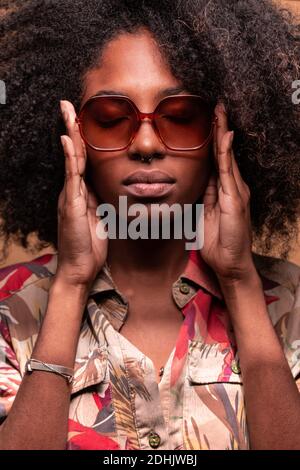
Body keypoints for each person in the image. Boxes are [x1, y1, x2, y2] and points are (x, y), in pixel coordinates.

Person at [0, 0, 299, 450]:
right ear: (70, 135)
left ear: (225, 130)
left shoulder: (292, 305)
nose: (144, 143)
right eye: (110, 120)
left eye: (179, 118)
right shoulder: (10, 311)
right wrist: (70, 285)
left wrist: (240, 284)